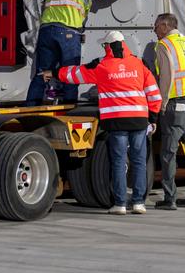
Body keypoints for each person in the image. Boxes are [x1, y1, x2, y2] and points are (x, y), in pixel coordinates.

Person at [52, 30, 160, 214]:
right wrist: (153, 117)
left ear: (109, 47)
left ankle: (120, 204)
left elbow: (76, 74)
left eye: (104, 45)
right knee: (139, 162)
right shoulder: (138, 64)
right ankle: (138, 203)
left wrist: (55, 73)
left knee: (118, 162)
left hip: (117, 122)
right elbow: (153, 93)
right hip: (139, 122)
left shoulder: (102, 66)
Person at [26, 0, 136, 106]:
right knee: (71, 73)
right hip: (68, 31)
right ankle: (70, 108)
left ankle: (31, 107)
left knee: (42, 73)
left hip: (46, 31)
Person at [151, 13, 185, 209]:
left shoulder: (164, 45)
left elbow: (165, 77)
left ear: (165, 26)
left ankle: (170, 198)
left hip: (175, 104)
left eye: (156, 26)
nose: (154, 30)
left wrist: (162, 104)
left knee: (168, 152)